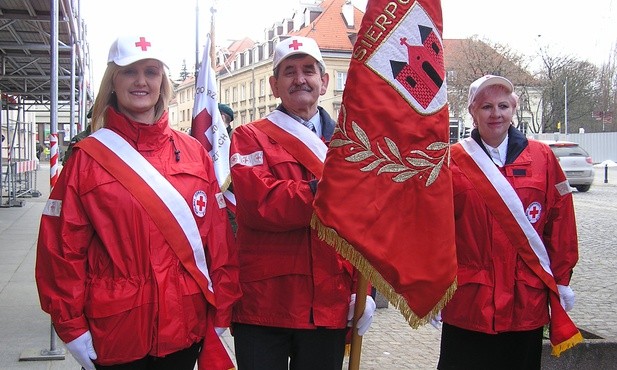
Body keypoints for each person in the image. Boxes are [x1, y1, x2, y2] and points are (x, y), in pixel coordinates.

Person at [35, 34, 241, 370]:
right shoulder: (87, 159)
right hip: (115, 329)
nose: (141, 81)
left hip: (184, 324)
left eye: (151, 71)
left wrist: (222, 309)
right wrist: (70, 325)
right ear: (113, 82)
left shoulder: (193, 154)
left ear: (163, 82)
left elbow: (218, 241)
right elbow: (61, 250)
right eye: (130, 72)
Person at [228, 36, 376, 370]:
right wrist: (334, 191)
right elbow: (261, 204)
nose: (300, 79)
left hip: (330, 302)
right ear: (274, 85)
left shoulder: (352, 145)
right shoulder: (249, 136)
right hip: (266, 305)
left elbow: (368, 227)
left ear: (324, 82)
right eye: (289, 71)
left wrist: (366, 292)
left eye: (309, 70)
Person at [438, 75, 579, 369]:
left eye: (503, 105)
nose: (496, 114)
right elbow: (434, 231)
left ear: (513, 109)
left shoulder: (542, 157)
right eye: (486, 106)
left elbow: (560, 222)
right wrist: (434, 287)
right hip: (470, 303)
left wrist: (562, 280)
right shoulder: (451, 161)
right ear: (472, 112)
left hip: (524, 302)